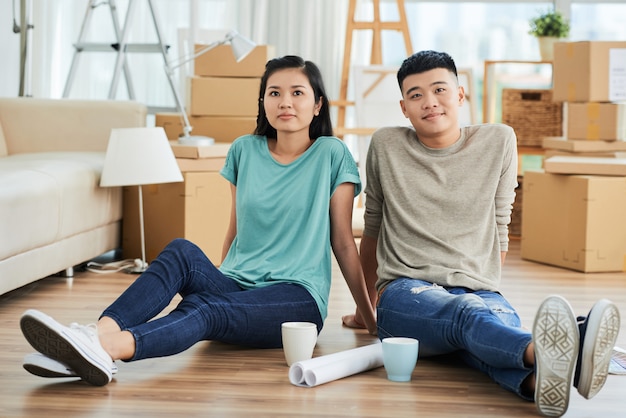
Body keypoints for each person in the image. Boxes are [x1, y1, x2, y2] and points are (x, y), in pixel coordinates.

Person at [19, 55, 377, 387]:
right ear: (263, 102)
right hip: (237, 284)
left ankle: (106, 349)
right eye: (275, 92)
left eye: (297, 93)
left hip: (296, 299)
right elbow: (236, 229)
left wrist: (368, 317)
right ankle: (93, 336)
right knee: (181, 251)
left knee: (204, 308)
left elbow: (343, 241)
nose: (285, 102)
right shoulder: (244, 150)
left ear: (317, 104)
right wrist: (220, 277)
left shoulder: (332, 154)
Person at [342, 50, 621, 417]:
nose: (430, 102)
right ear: (404, 107)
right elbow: (373, 228)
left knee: (476, 335)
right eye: (416, 95)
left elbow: (500, 223)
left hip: (480, 290)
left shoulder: (498, 140)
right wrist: (368, 309)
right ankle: (555, 349)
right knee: (468, 316)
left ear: (460, 95)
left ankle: (538, 382)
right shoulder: (386, 145)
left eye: (440, 89)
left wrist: (482, 281)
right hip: (406, 291)